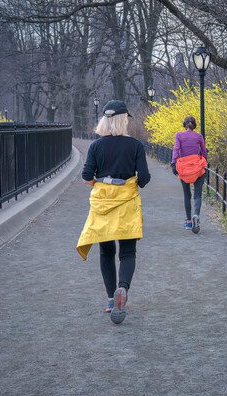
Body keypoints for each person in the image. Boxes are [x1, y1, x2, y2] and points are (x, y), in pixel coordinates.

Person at [76, 100, 151, 324]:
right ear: (123, 120)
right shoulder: (136, 146)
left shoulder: (96, 146)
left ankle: (111, 299)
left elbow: (87, 176)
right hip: (126, 203)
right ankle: (123, 289)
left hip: (102, 204)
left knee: (106, 252)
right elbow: (145, 178)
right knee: (127, 253)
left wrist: (103, 184)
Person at [171, 116, 208, 234]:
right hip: (197, 167)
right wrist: (204, 162)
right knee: (198, 195)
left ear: (184, 124)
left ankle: (188, 222)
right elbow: (204, 151)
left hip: (184, 168)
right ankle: (196, 215)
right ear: (194, 125)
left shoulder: (179, 135)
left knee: (187, 195)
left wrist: (173, 163)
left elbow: (176, 149)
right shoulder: (199, 136)